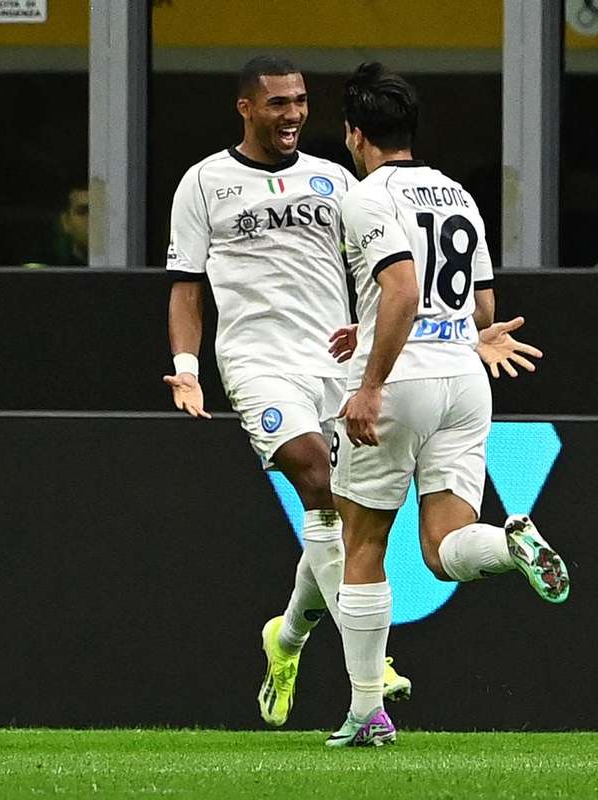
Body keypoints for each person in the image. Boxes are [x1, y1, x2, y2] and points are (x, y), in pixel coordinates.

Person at [163, 55, 413, 729]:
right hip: (256, 360)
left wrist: (366, 328)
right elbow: (185, 287)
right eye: (278, 103)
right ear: (246, 108)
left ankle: (288, 636)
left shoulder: (333, 180)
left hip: (332, 362)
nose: (294, 114)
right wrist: (187, 366)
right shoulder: (205, 183)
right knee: (314, 474)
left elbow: (377, 268)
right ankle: (371, 663)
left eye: (301, 101)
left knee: (339, 515)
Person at [325, 63, 567, 748]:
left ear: (354, 133)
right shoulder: (456, 192)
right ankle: (511, 541)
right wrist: (457, 331)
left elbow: (401, 290)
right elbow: (479, 304)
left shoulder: (366, 196)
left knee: (364, 541)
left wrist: (369, 380)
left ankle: (368, 713)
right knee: (443, 549)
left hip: (401, 382)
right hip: (465, 378)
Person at [25, 184, 88, 267]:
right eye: (82, 212)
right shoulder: (47, 270)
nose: (92, 219)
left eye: (101, 212)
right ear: (66, 222)